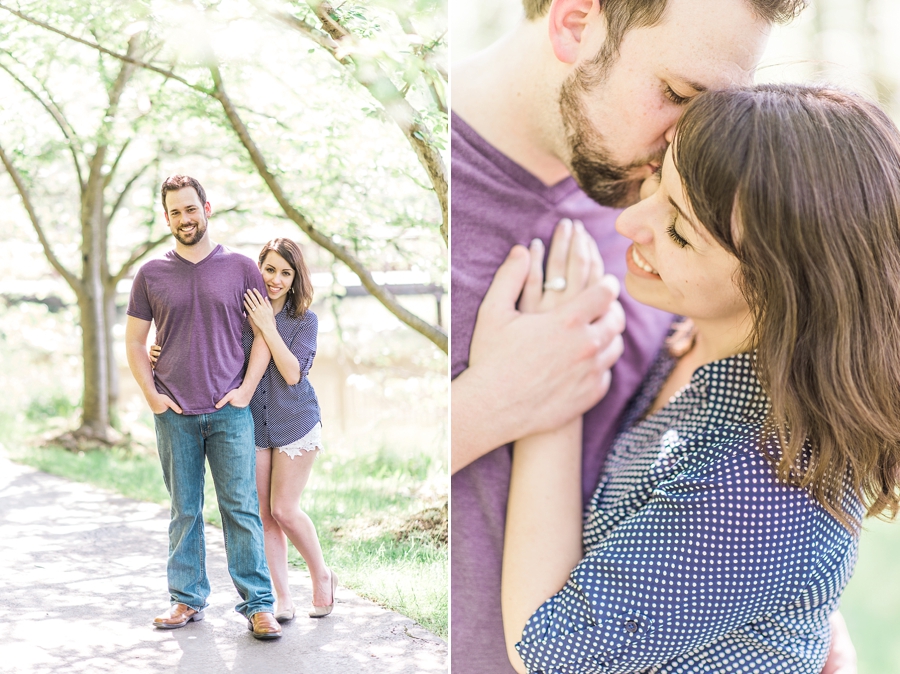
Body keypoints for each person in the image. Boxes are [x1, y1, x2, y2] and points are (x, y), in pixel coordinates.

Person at [447, 0, 844, 671]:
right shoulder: (406, 181)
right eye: (679, 95)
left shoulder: (680, 217)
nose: (684, 144)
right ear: (575, 23)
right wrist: (486, 407)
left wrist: (796, 613)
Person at [496, 84, 900, 673]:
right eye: (660, 177)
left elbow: (550, 652)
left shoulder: (764, 481)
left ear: (778, 289)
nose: (631, 221)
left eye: (681, 231)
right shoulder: (695, 336)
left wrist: (548, 392)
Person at [125, 175, 282, 640]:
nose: (184, 218)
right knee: (185, 510)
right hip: (175, 412)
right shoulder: (151, 274)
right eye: (175, 212)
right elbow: (134, 342)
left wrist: (247, 390)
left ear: (207, 208)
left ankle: (259, 606)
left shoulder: (240, 269)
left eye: (190, 209)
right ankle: (186, 600)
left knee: (241, 508)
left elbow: (263, 335)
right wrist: (153, 396)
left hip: (230, 411)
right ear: (167, 217)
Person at [152, 237, 336, 621]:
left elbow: (291, 373)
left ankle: (321, 574)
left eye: (286, 273)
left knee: (284, 509)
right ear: (258, 269)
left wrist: (267, 326)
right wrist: (158, 351)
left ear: (296, 277)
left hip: (294, 423)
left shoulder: (305, 321)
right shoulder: (239, 312)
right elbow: (207, 344)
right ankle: (281, 598)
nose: (276, 279)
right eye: (270, 269)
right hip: (250, 424)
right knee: (262, 514)